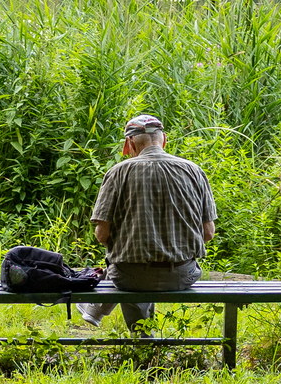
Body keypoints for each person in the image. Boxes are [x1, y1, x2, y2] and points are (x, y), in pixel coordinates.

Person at [79, 113, 216, 328]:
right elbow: (208, 233)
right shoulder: (194, 171)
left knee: (127, 270)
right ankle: (141, 340)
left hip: (130, 278)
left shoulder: (118, 172)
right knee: (130, 269)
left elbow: (101, 234)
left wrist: (131, 248)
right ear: (164, 139)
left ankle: (139, 339)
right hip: (182, 275)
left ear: (130, 142)